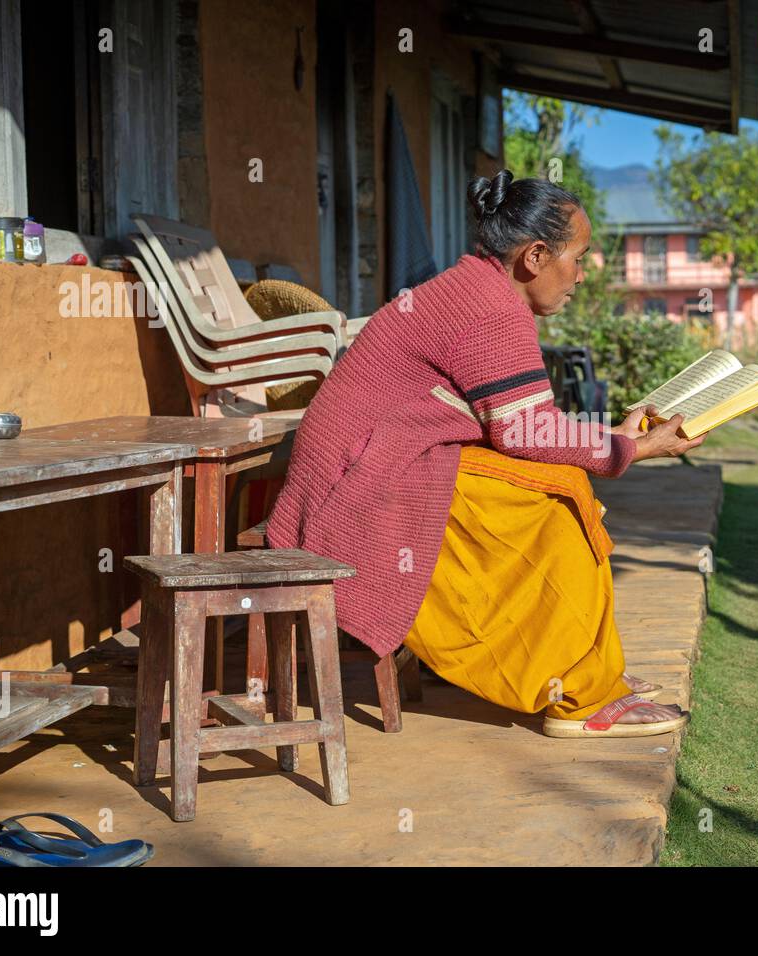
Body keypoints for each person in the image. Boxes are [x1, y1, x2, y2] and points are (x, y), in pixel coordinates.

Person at [266, 169, 704, 737]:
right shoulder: (488, 306)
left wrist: (619, 437)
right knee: (557, 506)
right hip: (363, 482)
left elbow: (519, 424)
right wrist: (633, 447)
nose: (581, 276)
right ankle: (579, 694)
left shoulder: (480, 290)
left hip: (383, 461)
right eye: (578, 257)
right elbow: (526, 432)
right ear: (536, 256)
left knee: (557, 490)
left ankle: (582, 672)